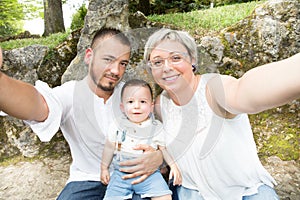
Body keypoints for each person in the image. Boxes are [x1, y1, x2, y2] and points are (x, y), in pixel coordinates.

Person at [0, 28, 163, 200]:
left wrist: (158, 158)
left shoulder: (133, 95)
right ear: (89, 56)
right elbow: (39, 106)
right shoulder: (70, 93)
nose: (116, 70)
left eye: (123, 63)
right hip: (87, 179)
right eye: (108, 59)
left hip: (132, 177)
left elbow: (155, 136)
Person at [143, 28, 300, 200]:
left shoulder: (214, 89)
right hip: (191, 193)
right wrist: (159, 158)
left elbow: (245, 91)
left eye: (176, 58)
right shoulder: (160, 105)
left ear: (192, 60)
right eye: (157, 62)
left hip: (246, 194)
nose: (167, 68)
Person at [100, 79, 182, 200]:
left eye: (143, 101)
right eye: (131, 102)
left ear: (151, 106)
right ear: (122, 107)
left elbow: (163, 149)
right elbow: (109, 147)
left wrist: (173, 166)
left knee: (165, 196)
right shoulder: (117, 125)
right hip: (121, 174)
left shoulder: (156, 127)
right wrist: (104, 168)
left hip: (149, 175)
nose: (136, 106)